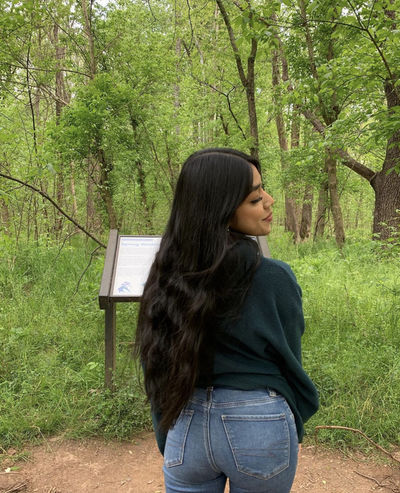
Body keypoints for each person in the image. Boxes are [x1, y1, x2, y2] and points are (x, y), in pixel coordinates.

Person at [135, 148, 319, 493]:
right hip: (260, 425)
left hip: (185, 421)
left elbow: (155, 363)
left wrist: (168, 432)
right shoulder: (274, 278)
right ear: (220, 209)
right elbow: (290, 361)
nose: (270, 201)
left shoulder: (165, 278)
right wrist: (290, 419)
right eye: (255, 198)